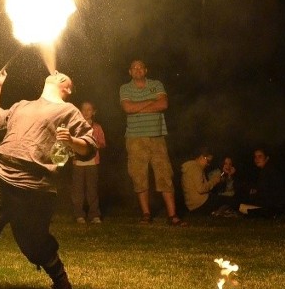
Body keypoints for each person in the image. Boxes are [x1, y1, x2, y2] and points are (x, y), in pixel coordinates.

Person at [0, 69, 97, 289]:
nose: (57, 73)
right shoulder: (22, 105)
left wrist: (72, 140)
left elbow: (89, 146)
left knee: (35, 242)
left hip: (35, 184)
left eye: (65, 77)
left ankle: (61, 282)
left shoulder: (68, 111)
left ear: (67, 89)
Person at [119, 60, 185, 226]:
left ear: (146, 70)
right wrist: (150, 102)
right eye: (134, 67)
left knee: (165, 173)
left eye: (140, 67)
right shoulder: (125, 88)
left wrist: (139, 106)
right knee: (138, 175)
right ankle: (146, 214)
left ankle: (172, 215)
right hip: (135, 138)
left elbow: (163, 104)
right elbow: (128, 108)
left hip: (157, 137)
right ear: (130, 71)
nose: (137, 69)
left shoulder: (156, 84)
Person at [72, 101, 106, 224]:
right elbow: (71, 143)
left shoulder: (97, 127)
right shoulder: (76, 127)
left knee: (92, 189)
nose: (86, 112)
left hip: (92, 163)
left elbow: (102, 143)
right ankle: (79, 215)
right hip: (78, 164)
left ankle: (94, 215)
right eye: (83, 110)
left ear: (94, 112)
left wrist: (95, 144)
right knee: (78, 190)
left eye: (89, 110)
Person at [238, 148, 285, 218]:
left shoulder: (268, 171)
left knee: (241, 206)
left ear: (267, 158)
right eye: (255, 157)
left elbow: (265, 194)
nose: (257, 159)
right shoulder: (266, 170)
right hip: (273, 205)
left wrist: (251, 195)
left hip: (273, 207)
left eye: (260, 156)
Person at [180, 147, 226, 215]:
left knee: (222, 199)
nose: (208, 164)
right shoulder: (195, 168)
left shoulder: (191, 167)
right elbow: (201, 189)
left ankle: (217, 212)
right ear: (202, 157)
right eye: (208, 161)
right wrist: (214, 181)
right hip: (200, 204)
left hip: (193, 205)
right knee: (227, 200)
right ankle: (245, 210)